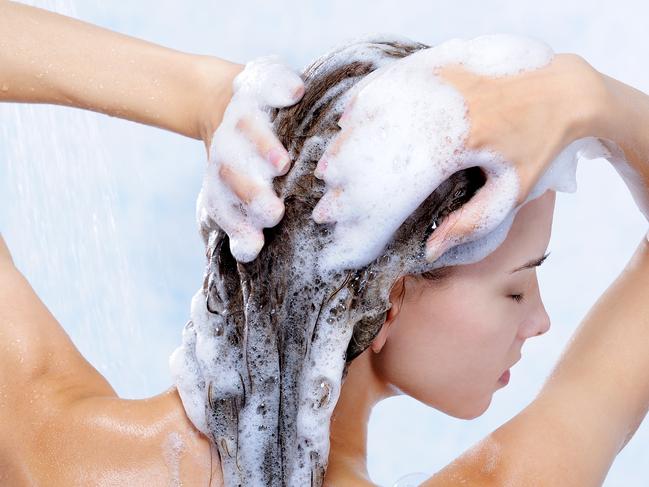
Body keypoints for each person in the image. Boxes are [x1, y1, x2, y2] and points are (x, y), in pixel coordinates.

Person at [2, 4, 649, 487]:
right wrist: (586, 95)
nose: (538, 321)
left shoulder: (63, 448)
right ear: (387, 295)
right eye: (514, 285)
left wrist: (204, 94)